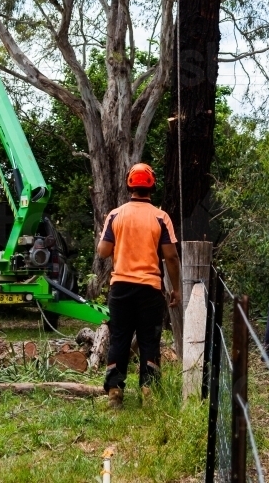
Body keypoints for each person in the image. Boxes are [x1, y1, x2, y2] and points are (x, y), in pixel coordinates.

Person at [97, 162, 181, 407]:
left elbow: (103, 252)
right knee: (149, 340)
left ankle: (114, 392)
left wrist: (112, 235)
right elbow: (172, 257)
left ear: (129, 185)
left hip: (120, 287)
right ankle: (149, 393)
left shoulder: (115, 215)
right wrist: (176, 288)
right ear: (152, 185)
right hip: (150, 290)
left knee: (120, 338)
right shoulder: (160, 217)